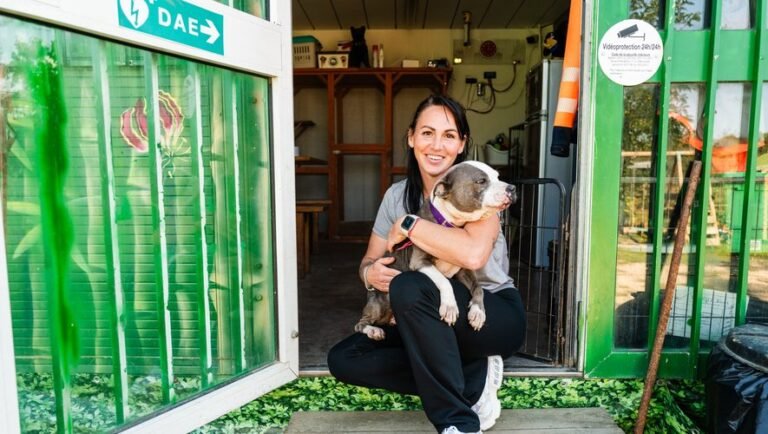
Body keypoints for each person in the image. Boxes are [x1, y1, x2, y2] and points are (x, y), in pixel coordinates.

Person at [327, 94, 526, 434]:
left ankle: (457, 424)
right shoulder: (397, 195)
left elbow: (473, 256)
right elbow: (370, 260)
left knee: (411, 284)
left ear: (462, 143)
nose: (437, 145)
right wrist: (370, 273)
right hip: (426, 318)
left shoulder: (479, 189)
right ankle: (473, 379)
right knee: (344, 359)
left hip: (489, 312)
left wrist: (410, 225)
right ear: (411, 138)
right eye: (427, 133)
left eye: (449, 135)